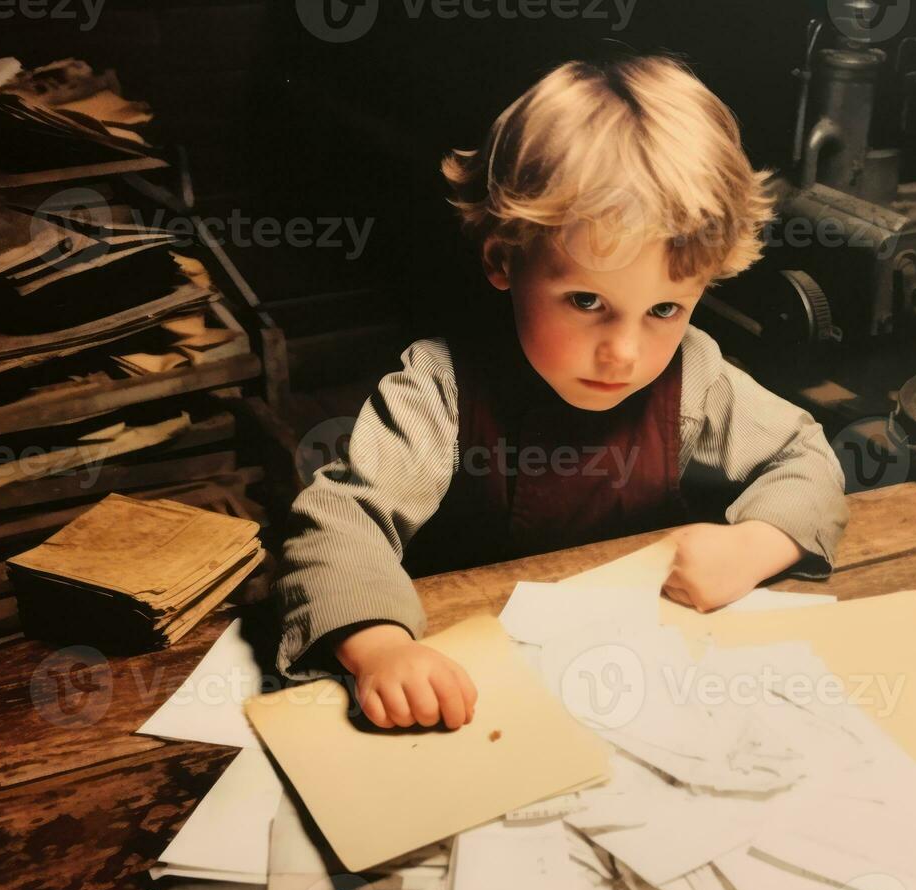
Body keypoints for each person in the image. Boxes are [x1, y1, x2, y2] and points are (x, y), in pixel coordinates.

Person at [273, 54, 849, 731]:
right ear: (502, 259)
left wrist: (756, 545)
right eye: (586, 300)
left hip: (642, 684)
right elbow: (339, 523)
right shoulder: (438, 387)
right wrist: (380, 648)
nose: (624, 353)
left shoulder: (695, 375)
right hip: (477, 690)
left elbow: (804, 455)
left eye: (665, 309)